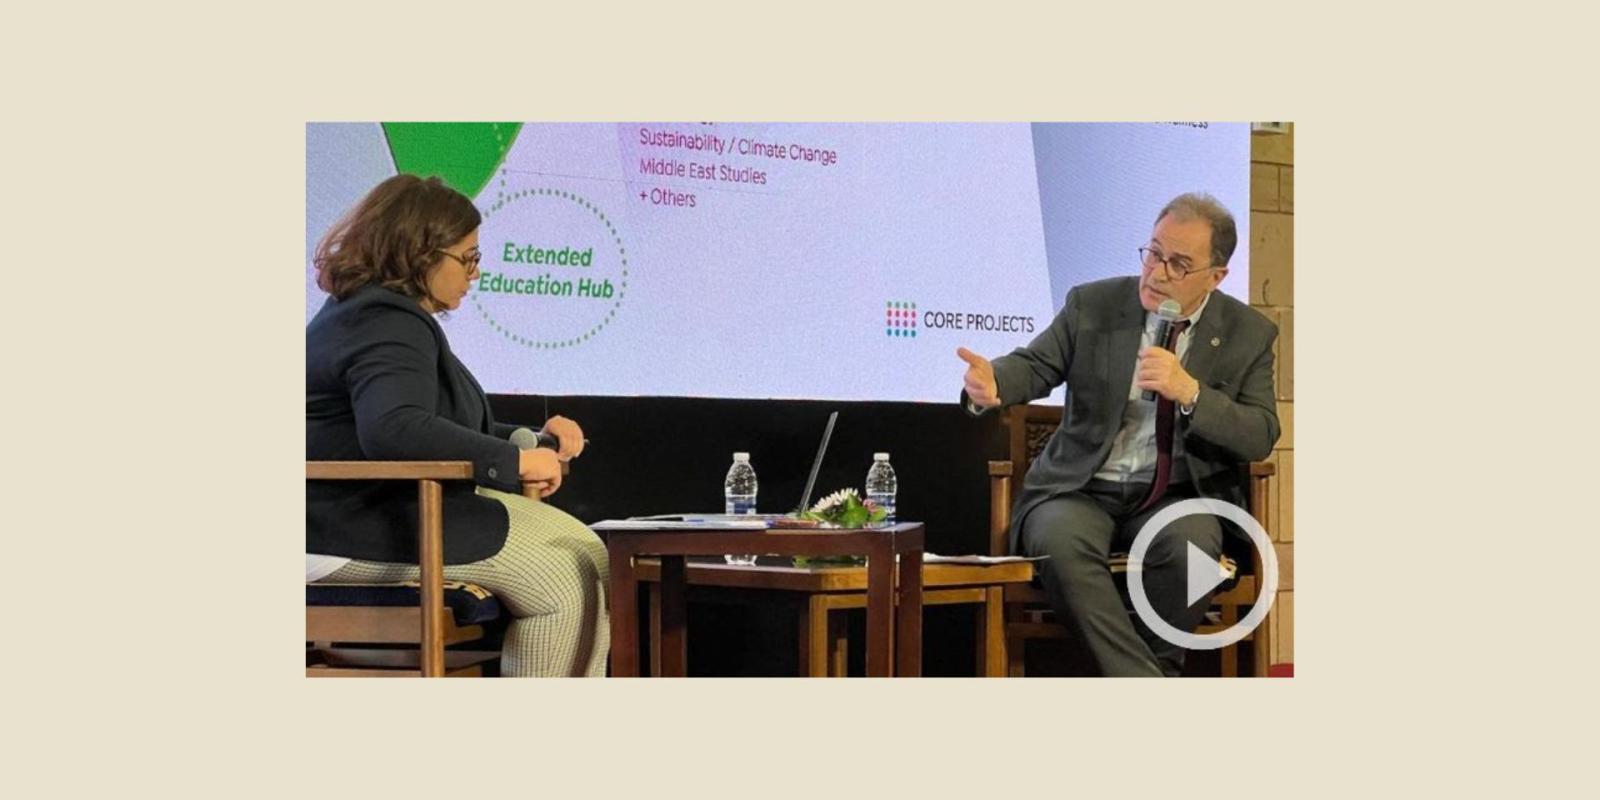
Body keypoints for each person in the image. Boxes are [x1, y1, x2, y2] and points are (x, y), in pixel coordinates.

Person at [957, 193, 1278, 677]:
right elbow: (1035, 365)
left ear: (1216, 276)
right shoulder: (1094, 305)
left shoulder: (1248, 334)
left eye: (1178, 264)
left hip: (1177, 497)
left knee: (1191, 552)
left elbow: (1259, 433)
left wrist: (1190, 392)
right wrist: (994, 383)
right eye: (1153, 253)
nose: (1157, 273)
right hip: (1080, 491)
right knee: (1059, 544)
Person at [306, 174, 608, 677]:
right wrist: (513, 462)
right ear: (419, 254)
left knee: (586, 552)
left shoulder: (367, 314)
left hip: (367, 512)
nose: (475, 273)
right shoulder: (386, 321)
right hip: (346, 525)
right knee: (563, 574)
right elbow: (395, 429)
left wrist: (533, 442)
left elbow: (435, 421)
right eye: (467, 258)